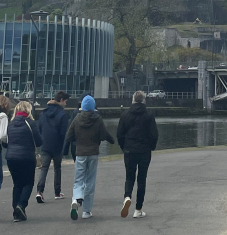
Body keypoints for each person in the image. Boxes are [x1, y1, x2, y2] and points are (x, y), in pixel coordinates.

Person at [64, 95, 114, 220]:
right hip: (93, 153)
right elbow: (104, 134)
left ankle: (76, 199)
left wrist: (68, 147)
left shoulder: (76, 119)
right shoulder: (97, 119)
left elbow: (69, 136)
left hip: (80, 153)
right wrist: (112, 140)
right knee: (90, 181)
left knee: (78, 179)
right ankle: (86, 211)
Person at [117, 91, 159, 219]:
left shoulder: (125, 115)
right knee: (142, 179)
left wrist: (124, 147)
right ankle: (138, 209)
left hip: (129, 150)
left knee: (129, 177)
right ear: (143, 100)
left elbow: (119, 134)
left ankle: (127, 197)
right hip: (144, 151)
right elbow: (154, 134)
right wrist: (151, 146)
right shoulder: (149, 115)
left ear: (133, 100)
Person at [6, 101, 43, 222]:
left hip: (11, 158)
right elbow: (39, 142)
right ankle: (21, 206)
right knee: (28, 183)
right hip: (26, 157)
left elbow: (5, 142)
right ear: (28, 110)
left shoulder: (10, 124)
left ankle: (16, 213)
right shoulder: (31, 123)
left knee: (17, 184)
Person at [35, 90, 70, 203]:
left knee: (44, 168)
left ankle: (39, 191)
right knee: (57, 168)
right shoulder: (62, 114)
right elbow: (64, 132)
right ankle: (57, 192)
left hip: (45, 144)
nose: (66, 104)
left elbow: (39, 128)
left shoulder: (43, 113)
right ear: (61, 100)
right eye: (65, 101)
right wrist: (64, 145)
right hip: (57, 145)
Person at [64, 92, 92, 162]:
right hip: (91, 147)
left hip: (76, 145)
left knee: (79, 168)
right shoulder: (96, 114)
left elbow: (70, 130)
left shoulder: (75, 113)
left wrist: (66, 148)